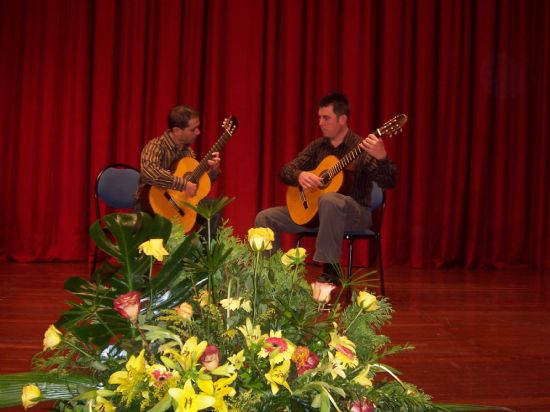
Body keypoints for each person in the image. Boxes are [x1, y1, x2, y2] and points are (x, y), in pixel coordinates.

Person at [255, 93, 397, 284]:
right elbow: (285, 171)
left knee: (329, 199)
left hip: (355, 214)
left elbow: (389, 182)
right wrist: (300, 175)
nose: (321, 122)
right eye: (319, 117)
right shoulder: (318, 147)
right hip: (318, 215)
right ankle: (275, 278)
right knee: (265, 217)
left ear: (343, 119)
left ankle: (331, 270)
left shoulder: (361, 147)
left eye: (326, 118)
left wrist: (382, 158)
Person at [138, 104, 222, 234]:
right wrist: (183, 184)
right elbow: (150, 172)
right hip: (151, 204)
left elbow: (196, 188)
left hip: (182, 203)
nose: (198, 132)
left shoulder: (189, 153)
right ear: (177, 130)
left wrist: (213, 171)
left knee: (213, 209)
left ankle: (205, 253)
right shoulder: (156, 146)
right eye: (193, 129)